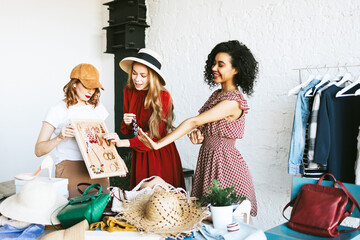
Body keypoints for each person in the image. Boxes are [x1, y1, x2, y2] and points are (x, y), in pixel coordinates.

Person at [138, 40, 258, 216]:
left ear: (236, 69)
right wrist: (200, 135)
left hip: (225, 166)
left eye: (221, 65)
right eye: (214, 63)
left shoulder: (233, 101)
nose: (214, 68)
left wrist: (158, 144)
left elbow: (194, 121)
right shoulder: (217, 95)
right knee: (205, 219)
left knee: (225, 220)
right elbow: (204, 127)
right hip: (208, 160)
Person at [104, 48, 185, 189]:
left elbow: (154, 135)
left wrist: (121, 143)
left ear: (152, 77)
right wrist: (127, 122)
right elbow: (130, 130)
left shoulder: (163, 96)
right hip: (139, 152)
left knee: (160, 201)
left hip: (159, 152)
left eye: (143, 75)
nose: (137, 79)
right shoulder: (128, 91)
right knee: (140, 200)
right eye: (134, 73)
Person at [35, 63, 110, 198]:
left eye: (94, 87)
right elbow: (39, 150)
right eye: (87, 86)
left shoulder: (97, 107)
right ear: (74, 83)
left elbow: (103, 142)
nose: (91, 91)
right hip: (70, 165)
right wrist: (59, 137)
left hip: (98, 166)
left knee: (102, 212)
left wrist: (115, 157)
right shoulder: (58, 110)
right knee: (73, 213)